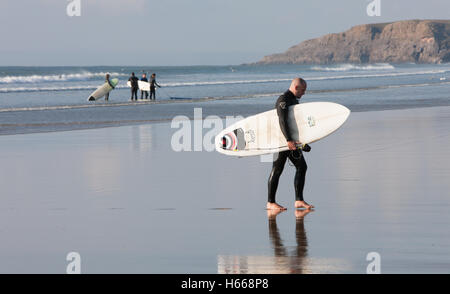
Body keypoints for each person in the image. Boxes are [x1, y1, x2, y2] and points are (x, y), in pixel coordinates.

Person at [267, 78, 314, 211]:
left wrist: (303, 143)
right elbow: (282, 121)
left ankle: (299, 200)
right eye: (303, 90)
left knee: (302, 167)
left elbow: (296, 125)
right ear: (296, 87)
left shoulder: (294, 100)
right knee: (277, 170)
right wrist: (288, 140)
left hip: (292, 142)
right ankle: (270, 202)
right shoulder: (283, 100)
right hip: (282, 142)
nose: (304, 93)